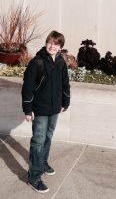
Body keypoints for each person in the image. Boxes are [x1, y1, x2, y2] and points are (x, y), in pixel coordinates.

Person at [22, 30, 70, 193]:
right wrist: (28, 109)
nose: (52, 46)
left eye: (55, 44)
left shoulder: (61, 62)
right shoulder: (37, 62)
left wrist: (65, 102)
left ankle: (42, 162)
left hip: (55, 108)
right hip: (40, 109)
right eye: (50, 42)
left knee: (48, 135)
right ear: (46, 43)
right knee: (38, 140)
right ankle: (34, 176)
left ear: (60, 47)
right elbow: (27, 87)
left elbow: (65, 83)